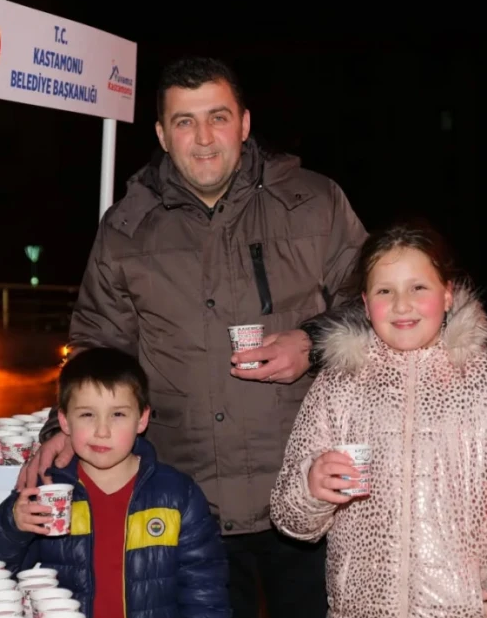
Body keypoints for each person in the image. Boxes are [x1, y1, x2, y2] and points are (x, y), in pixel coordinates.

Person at [18, 56, 368, 617]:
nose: (203, 139)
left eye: (218, 117)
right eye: (184, 122)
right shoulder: (125, 230)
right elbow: (97, 345)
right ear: (161, 133)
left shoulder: (315, 203)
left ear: (245, 123)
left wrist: (310, 342)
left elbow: (374, 308)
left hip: (309, 495)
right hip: (186, 508)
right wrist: (56, 428)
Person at [270, 222, 487, 618]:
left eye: (418, 287)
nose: (402, 305)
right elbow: (290, 517)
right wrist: (312, 487)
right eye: (385, 291)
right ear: (365, 304)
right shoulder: (337, 386)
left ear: (448, 293)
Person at [0, 347, 230, 618]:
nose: (102, 431)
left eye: (117, 415)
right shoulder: (46, 491)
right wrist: (13, 524)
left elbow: (205, 592)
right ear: (64, 422)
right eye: (87, 415)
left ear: (141, 419)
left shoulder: (178, 495)